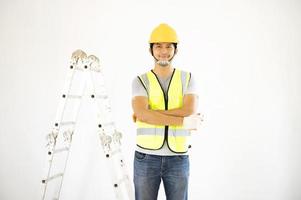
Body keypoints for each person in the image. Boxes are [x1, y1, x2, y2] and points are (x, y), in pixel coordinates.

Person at [131, 23, 202, 200]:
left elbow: (189, 109)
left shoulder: (188, 78)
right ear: (151, 50)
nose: (164, 51)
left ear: (176, 49)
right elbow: (142, 113)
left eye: (169, 46)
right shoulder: (140, 80)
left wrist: (151, 113)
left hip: (178, 158)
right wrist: (183, 121)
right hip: (146, 157)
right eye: (158, 46)